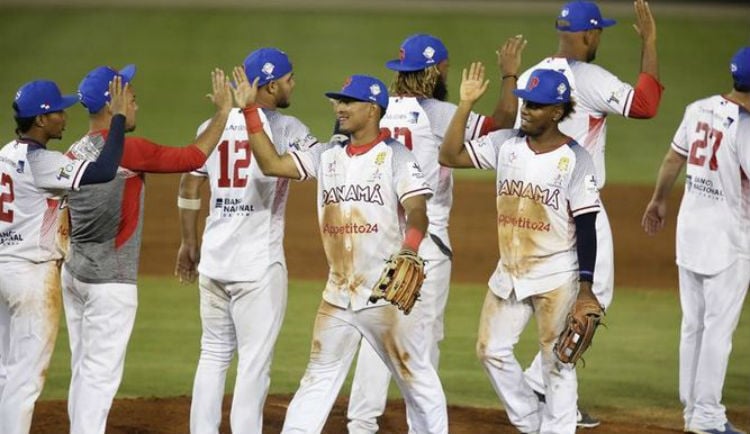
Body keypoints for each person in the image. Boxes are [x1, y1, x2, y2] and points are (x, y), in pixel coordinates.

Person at [231, 67, 446, 433]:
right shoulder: (327, 156)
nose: (339, 108)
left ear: (373, 109)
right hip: (337, 296)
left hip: (385, 294)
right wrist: (251, 112)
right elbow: (271, 164)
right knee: (318, 377)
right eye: (339, 102)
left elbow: (418, 210)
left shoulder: (396, 156)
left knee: (417, 380)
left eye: (349, 102)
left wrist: (410, 249)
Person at [346, 33, 526, 434]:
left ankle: (361, 423)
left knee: (377, 332)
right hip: (425, 242)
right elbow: (501, 125)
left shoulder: (374, 112)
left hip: (375, 240)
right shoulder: (442, 114)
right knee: (424, 339)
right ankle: (424, 427)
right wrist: (509, 77)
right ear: (436, 72)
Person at [60, 65, 232, 434]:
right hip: (110, 283)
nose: (137, 106)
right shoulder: (128, 149)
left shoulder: (76, 150)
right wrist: (224, 111)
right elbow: (194, 157)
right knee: (100, 377)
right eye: (132, 100)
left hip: (74, 275)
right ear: (114, 104)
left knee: (82, 367)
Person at [516, 0, 663, 427]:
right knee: (591, 296)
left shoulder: (533, 75)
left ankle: (542, 387)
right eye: (599, 32)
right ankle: (544, 388)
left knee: (558, 297)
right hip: (578, 204)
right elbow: (645, 104)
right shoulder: (590, 78)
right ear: (588, 35)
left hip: (535, 203)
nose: (600, 38)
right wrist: (650, 42)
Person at [440, 64, 601, 434]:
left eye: (536, 105)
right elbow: (448, 156)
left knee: (556, 363)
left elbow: (587, 225)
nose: (525, 109)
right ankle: (530, 421)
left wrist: (586, 288)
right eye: (525, 102)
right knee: (490, 349)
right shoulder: (506, 144)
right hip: (510, 272)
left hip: (556, 276)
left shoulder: (576, 159)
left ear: (557, 112)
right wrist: (464, 106)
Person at [174, 47, 318, 434]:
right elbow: (316, 166)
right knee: (254, 362)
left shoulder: (213, 123)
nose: (293, 84)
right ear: (270, 86)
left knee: (213, 354)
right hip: (258, 264)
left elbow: (190, 183)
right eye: (288, 79)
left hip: (214, 261)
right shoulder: (289, 129)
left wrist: (189, 242)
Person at [0, 77, 128, 434]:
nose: (64, 117)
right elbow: (102, 171)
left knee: (4, 371)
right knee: (25, 378)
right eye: (58, 112)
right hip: (30, 277)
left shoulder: (5, 154)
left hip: (2, 268)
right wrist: (117, 119)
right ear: (41, 120)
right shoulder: (43, 162)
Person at [641, 47, 750, 434]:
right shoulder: (746, 124)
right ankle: (706, 417)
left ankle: (692, 412)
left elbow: (674, 159)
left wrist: (657, 200)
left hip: (690, 231)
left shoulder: (698, 108)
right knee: (718, 330)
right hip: (728, 238)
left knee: (694, 325)